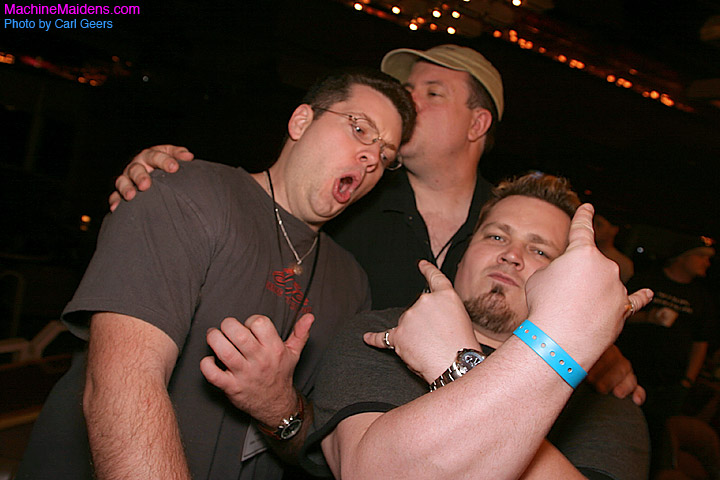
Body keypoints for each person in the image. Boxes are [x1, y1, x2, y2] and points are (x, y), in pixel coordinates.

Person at [15, 69, 416, 480]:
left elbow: (326, 447)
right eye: (359, 129)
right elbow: (122, 387)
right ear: (301, 122)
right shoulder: (185, 194)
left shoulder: (352, 282)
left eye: (386, 155)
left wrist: (279, 407)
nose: (372, 158)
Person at [300, 173, 652, 479]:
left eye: (540, 251)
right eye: (496, 237)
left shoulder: (604, 398)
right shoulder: (386, 333)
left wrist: (455, 365)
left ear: (564, 281)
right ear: (462, 257)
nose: (511, 255)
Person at [109, 44, 502, 309]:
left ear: (477, 124)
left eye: (432, 93)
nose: (409, 103)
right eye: (406, 88)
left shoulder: (509, 226)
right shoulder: (346, 194)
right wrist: (165, 180)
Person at [617, 234, 717, 472]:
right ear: (681, 257)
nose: (707, 263)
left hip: (668, 385)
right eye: (701, 256)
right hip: (628, 374)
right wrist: (648, 317)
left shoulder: (702, 298)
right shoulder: (647, 281)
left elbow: (700, 343)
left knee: (656, 441)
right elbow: (614, 316)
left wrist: (687, 381)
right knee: (618, 430)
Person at [594, 213, 634, 283]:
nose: (593, 228)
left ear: (613, 230)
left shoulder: (623, 263)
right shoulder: (581, 251)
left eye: (599, 225)